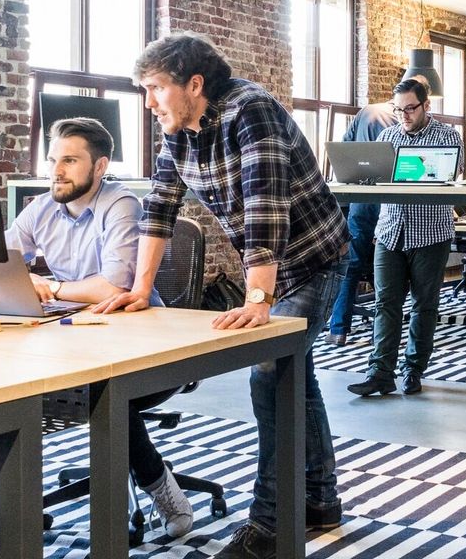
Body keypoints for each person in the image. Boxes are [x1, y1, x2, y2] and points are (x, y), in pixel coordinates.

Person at [96, 33, 345, 559]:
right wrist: (140, 288)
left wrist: (258, 296)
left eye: (156, 88)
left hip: (313, 258)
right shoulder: (178, 131)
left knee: (271, 374)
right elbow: (160, 207)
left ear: (194, 83)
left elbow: (264, 207)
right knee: (295, 378)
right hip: (274, 265)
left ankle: (272, 524)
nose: (149, 102)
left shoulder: (250, 112)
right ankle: (321, 501)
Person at [0, 117, 192, 559]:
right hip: (72, 335)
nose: (57, 170)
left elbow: (111, 286)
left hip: (145, 345)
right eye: (54, 159)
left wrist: (49, 287)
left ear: (100, 166)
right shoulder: (42, 208)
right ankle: (4, 521)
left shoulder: (121, 205)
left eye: (70, 160)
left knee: (107, 388)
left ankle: (157, 484)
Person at [349, 75, 462, 398]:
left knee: (424, 305)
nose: (404, 117)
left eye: (410, 109)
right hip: (389, 232)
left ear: (426, 105)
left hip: (430, 233)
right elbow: (382, 178)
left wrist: (407, 170)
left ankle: (413, 370)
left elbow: (444, 174)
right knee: (386, 303)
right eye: (398, 110)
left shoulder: (446, 137)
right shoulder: (387, 136)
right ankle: (380, 372)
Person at [326, 101, 396, 346]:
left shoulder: (366, 112)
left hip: (362, 197)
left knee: (352, 264)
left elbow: (343, 150)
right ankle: (384, 332)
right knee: (391, 263)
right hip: (393, 199)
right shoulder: (401, 121)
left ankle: (338, 329)